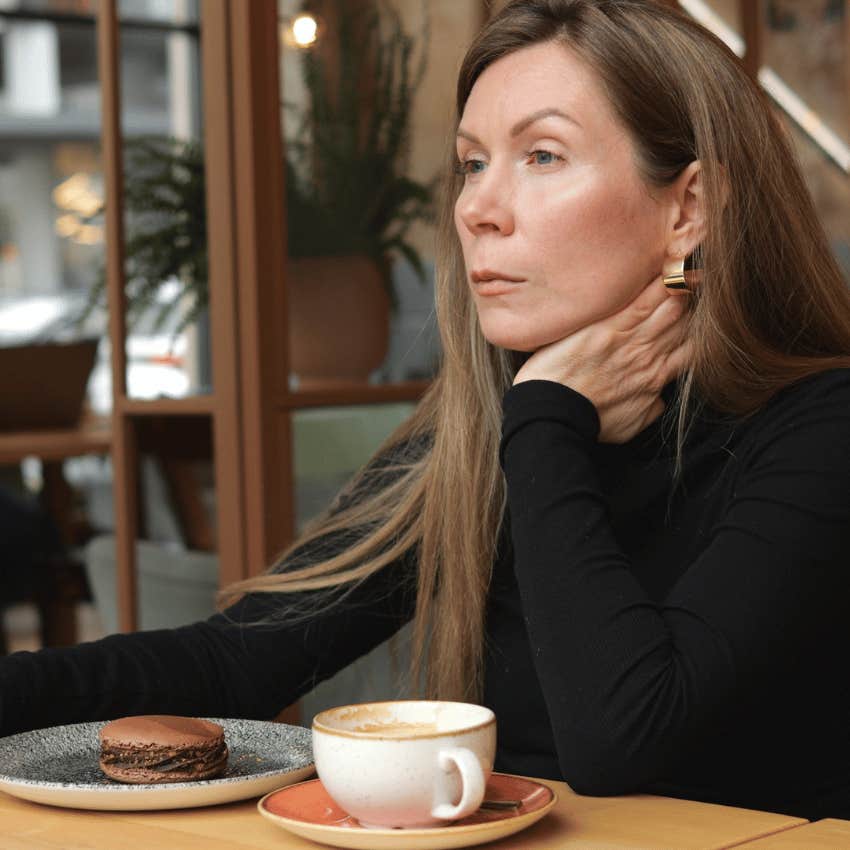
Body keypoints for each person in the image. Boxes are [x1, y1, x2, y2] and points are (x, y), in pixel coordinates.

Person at [2, 0, 850, 820]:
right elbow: (237, 661)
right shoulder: (489, 428)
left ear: (689, 209)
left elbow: (623, 744)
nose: (478, 208)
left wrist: (548, 425)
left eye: (543, 156)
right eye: (473, 163)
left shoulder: (819, 428)